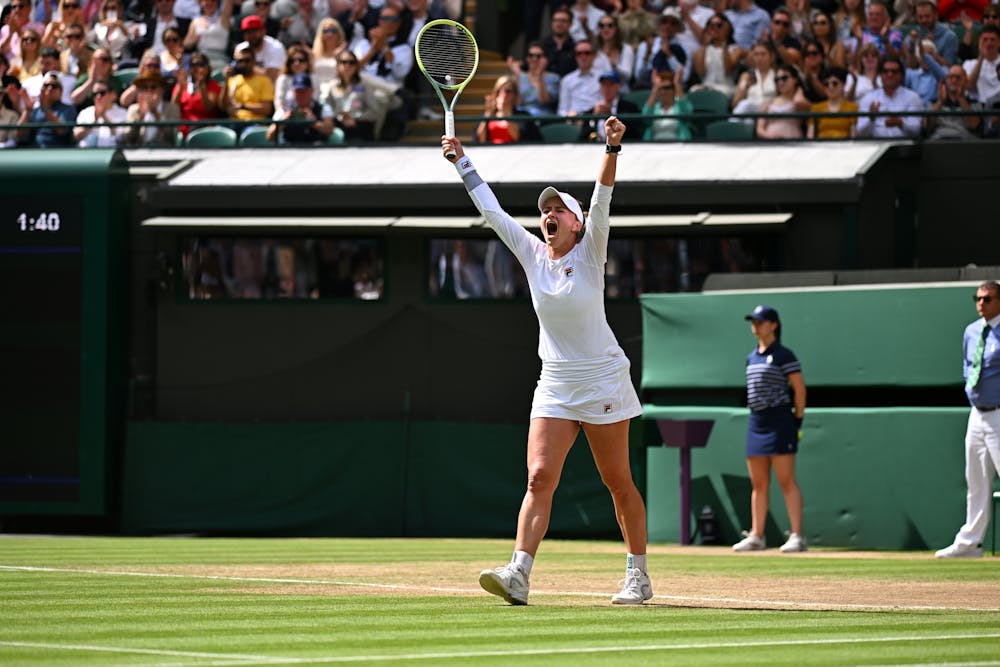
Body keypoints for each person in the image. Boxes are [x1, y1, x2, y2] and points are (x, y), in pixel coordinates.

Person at [441, 115, 652, 606]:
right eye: (545, 210)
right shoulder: (534, 254)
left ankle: (638, 575)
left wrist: (611, 147)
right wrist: (462, 162)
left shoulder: (592, 248)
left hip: (602, 380)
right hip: (555, 381)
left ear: (577, 223)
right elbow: (493, 212)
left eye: (560, 209)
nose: (549, 213)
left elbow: (602, 197)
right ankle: (519, 573)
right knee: (539, 477)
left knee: (617, 482)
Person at [732, 304, 807, 554]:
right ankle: (757, 536)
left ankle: (797, 536)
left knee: (786, 481)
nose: (756, 326)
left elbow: (799, 389)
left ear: (773, 325)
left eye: (760, 321)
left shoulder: (785, 355)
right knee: (759, 483)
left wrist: (797, 420)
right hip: (757, 422)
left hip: (781, 421)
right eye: (753, 321)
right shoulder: (750, 357)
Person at [936, 281, 1000, 559]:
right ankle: (970, 543)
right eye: (978, 298)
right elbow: (967, 364)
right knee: (975, 480)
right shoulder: (971, 331)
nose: (981, 303)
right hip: (977, 413)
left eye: (987, 299)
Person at [856, 56, 923, 137]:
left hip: (904, 146)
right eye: (885, 71)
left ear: (901, 75)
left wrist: (900, 123)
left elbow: (916, 131)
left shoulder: (913, 97)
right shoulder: (869, 98)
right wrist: (871, 118)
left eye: (894, 71)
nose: (890, 74)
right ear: (880, 74)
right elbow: (860, 133)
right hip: (877, 146)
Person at [266, 70, 331, 143]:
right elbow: (269, 136)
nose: (301, 95)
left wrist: (314, 122)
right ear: (293, 92)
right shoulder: (283, 110)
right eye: (298, 91)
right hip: (289, 150)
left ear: (311, 90)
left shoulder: (323, 108)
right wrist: (283, 122)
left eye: (304, 91)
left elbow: (329, 131)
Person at [475, 74, 540, 144]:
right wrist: (487, 115)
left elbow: (518, 137)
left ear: (515, 95)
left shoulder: (523, 116)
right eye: (499, 91)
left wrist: (506, 113)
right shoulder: (488, 116)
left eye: (507, 91)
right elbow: (480, 140)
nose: (503, 95)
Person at [19, 70, 77, 146]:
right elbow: (20, 134)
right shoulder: (35, 110)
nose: (50, 88)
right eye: (46, 85)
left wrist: (46, 109)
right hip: (35, 152)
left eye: (54, 86)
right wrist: (27, 111)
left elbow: (61, 130)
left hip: (58, 152)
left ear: (61, 91)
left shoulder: (68, 109)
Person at [124, 69, 181, 144]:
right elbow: (128, 137)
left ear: (162, 89)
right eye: (145, 87)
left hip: (164, 152)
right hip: (139, 152)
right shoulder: (134, 109)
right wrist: (141, 115)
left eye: (153, 87)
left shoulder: (172, 108)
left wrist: (155, 112)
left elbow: (172, 137)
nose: (149, 90)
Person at [171, 50, 222, 134]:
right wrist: (180, 86)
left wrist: (202, 87)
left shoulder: (214, 86)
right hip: (183, 129)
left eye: (201, 65)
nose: (197, 68)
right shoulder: (182, 85)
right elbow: (174, 108)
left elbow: (208, 108)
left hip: (205, 129)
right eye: (193, 65)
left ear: (208, 68)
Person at [692, 12, 741, 99]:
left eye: (719, 25)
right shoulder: (699, 51)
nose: (714, 29)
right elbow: (700, 72)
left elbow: (728, 70)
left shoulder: (735, 50)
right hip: (705, 86)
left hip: (726, 87)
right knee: (694, 91)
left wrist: (724, 43)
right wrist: (705, 45)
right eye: (711, 25)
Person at [926, 64, 981, 139]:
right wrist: (940, 101)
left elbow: (973, 125)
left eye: (958, 78)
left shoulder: (975, 103)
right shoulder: (933, 103)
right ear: (946, 81)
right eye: (951, 77)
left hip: (964, 143)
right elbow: (928, 127)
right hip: (939, 141)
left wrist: (961, 99)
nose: (954, 80)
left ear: (965, 81)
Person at [507, 41, 560, 117]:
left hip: (544, 118)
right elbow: (518, 103)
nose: (534, 59)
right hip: (523, 118)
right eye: (531, 55)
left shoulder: (554, 78)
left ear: (545, 59)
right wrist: (518, 77)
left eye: (538, 56)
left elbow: (544, 101)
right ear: (527, 58)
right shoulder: (520, 77)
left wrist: (539, 77)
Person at [756, 63, 807, 138]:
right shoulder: (768, 103)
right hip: (771, 145)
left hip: (794, 146)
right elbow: (759, 129)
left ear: (795, 79)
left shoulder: (799, 101)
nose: (780, 82)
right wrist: (770, 137)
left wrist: (799, 90)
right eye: (777, 80)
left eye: (784, 78)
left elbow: (799, 102)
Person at [642, 67, 693, 140]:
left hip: (679, 147)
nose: (663, 91)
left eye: (667, 88)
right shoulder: (654, 107)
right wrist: (655, 87)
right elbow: (645, 118)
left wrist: (677, 83)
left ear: (674, 90)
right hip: (653, 147)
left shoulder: (680, 106)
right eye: (660, 88)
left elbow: (687, 113)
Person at [73, 77, 127, 145]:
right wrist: (94, 121)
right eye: (95, 94)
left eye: (102, 93)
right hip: (86, 153)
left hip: (112, 153)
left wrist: (104, 116)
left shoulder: (123, 113)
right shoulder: (85, 112)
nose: (98, 97)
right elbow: (76, 136)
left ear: (113, 95)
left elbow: (121, 138)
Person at [807, 65, 857, 137]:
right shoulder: (816, 108)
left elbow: (853, 137)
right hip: (821, 147)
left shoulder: (852, 108)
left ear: (843, 84)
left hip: (844, 147)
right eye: (826, 84)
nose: (830, 87)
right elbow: (810, 136)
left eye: (835, 83)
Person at [236, 13, 287, 81]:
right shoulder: (240, 49)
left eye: (254, 31)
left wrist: (248, 66)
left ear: (263, 31)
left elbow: (270, 78)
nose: (252, 35)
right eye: (248, 32)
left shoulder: (276, 47)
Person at [557, 38, 602, 115]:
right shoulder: (567, 80)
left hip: (595, 119)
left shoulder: (602, 78)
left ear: (594, 55)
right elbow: (562, 110)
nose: (583, 57)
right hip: (572, 121)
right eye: (579, 53)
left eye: (587, 53)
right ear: (575, 56)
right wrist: (569, 116)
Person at [963, 26, 1000, 103]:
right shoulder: (969, 64)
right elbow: (969, 86)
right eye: (985, 40)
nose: (989, 43)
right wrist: (981, 57)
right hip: (980, 107)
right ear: (979, 42)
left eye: (992, 40)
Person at [542, 6, 577, 77]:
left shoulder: (576, 48)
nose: (559, 24)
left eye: (563, 21)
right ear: (552, 23)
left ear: (570, 24)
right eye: (556, 20)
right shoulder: (542, 46)